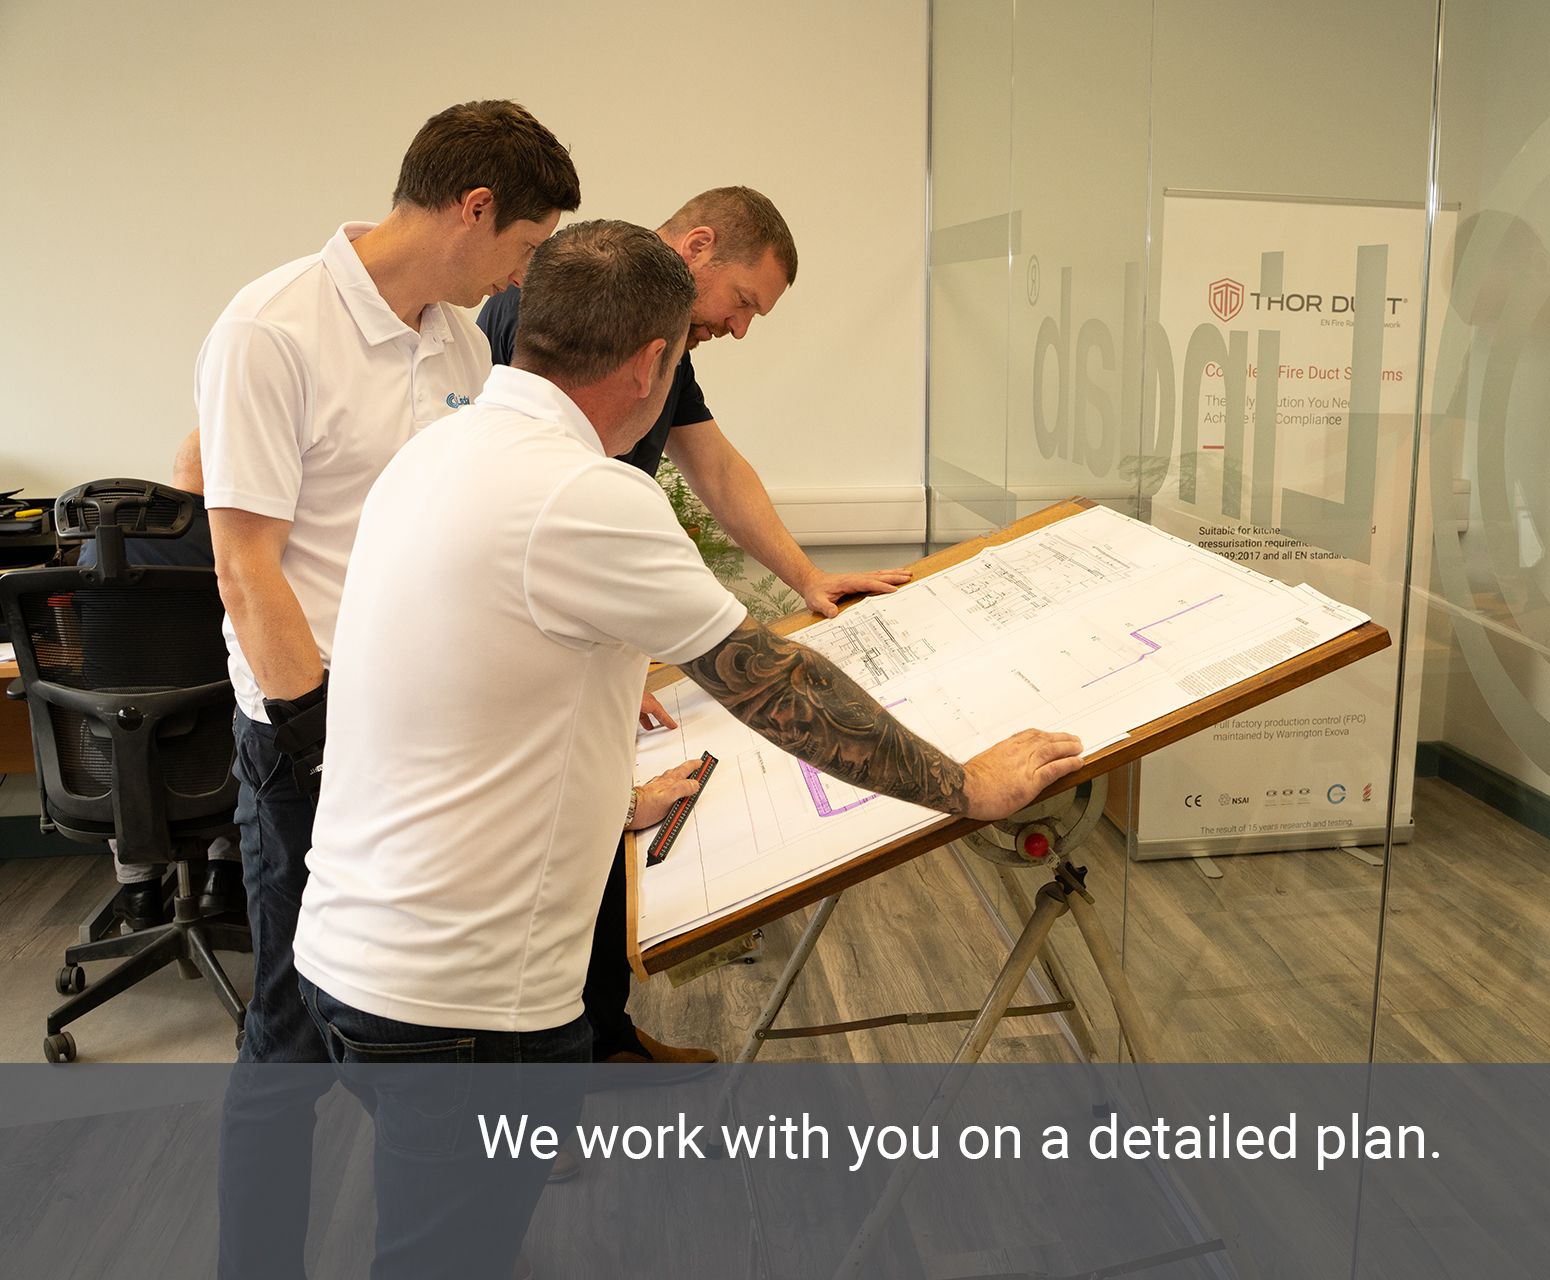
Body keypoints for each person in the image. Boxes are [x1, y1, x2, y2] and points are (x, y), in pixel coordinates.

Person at [293, 219, 1082, 1278]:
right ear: (653, 363)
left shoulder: (435, 452)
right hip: (461, 1007)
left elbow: (451, 696)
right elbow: (775, 684)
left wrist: (605, 800)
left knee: (442, 1234)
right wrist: (965, 786)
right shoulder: (588, 495)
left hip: (348, 956)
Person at [199, 99, 579, 1280]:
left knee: (406, 1016)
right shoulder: (274, 328)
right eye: (524, 246)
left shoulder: (463, 345)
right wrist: (318, 743)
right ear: (473, 210)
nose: (523, 274)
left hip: (424, 745)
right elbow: (244, 562)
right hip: (306, 738)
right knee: (289, 1040)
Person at [479, 186, 910, 1066]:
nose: (742, 329)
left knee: (595, 845)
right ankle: (536, 1094)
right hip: (520, 634)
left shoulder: (667, 340)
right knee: (536, 865)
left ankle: (599, 1044)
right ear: (699, 247)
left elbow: (714, 463)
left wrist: (807, 577)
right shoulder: (561, 302)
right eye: (743, 302)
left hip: (583, 638)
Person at [74, 431, 244, 928]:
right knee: (244, 715)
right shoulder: (228, 536)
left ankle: (140, 893)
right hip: (211, 755)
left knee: (120, 719)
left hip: (111, 752)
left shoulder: (95, 546)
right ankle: (223, 878)